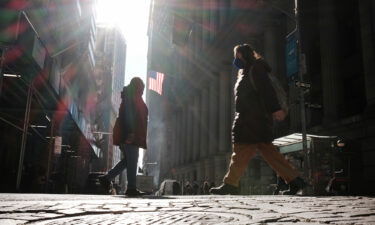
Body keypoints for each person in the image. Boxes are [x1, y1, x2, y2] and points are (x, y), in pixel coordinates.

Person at [209, 44, 306, 195]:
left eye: (237, 56)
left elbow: (266, 91)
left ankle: (230, 184)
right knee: (269, 153)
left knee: (241, 151)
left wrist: (276, 109)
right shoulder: (246, 71)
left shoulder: (255, 69)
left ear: (243, 55)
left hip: (252, 119)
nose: (235, 59)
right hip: (253, 119)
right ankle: (294, 180)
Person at [99, 77, 148, 197]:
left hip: (132, 135)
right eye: (142, 88)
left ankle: (107, 178)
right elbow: (129, 116)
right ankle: (131, 188)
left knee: (128, 161)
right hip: (131, 135)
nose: (142, 91)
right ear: (137, 86)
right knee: (132, 161)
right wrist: (131, 132)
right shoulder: (131, 97)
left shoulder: (131, 97)